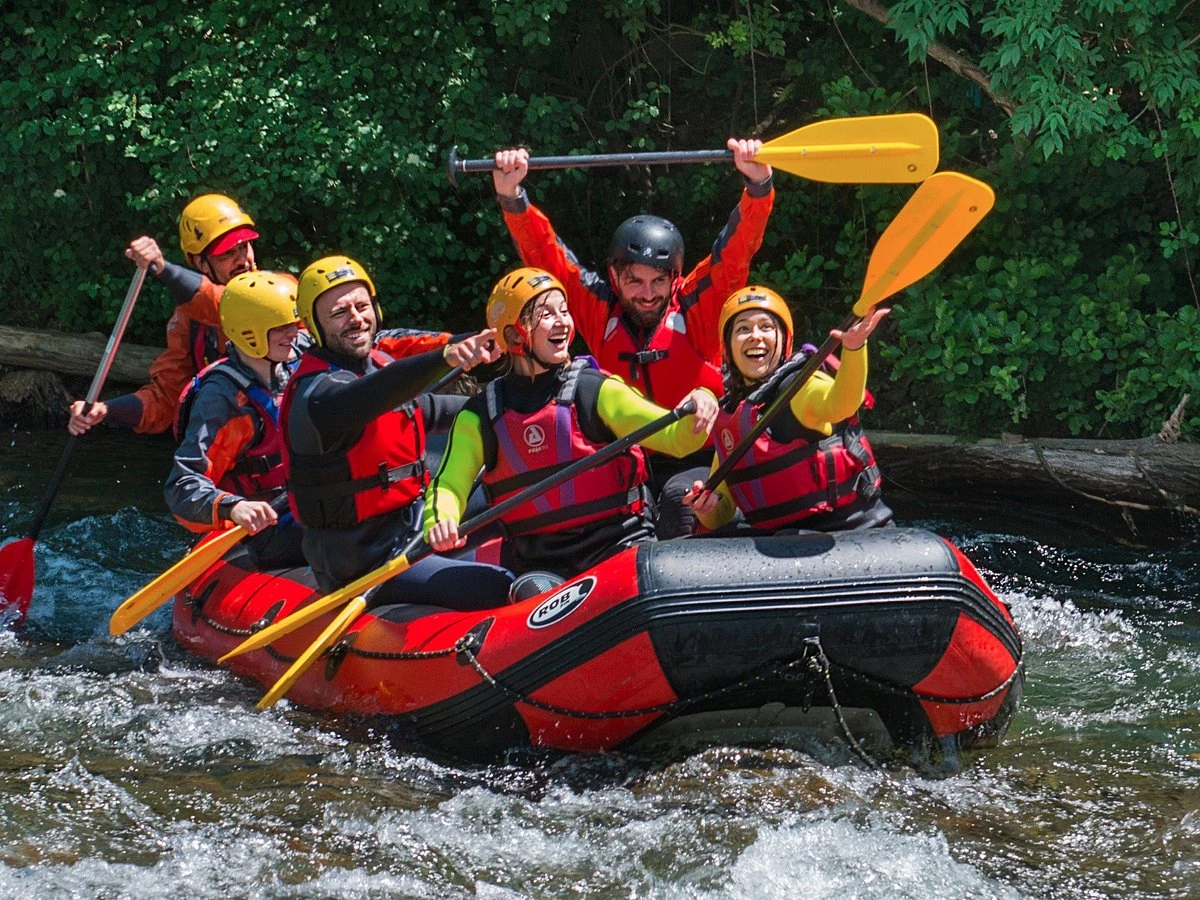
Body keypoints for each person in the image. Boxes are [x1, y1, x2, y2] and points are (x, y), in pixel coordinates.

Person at [490, 139, 774, 538]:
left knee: (678, 501)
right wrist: (512, 197)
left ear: (674, 278)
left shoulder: (696, 307)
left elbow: (736, 252)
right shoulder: (598, 308)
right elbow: (546, 255)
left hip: (699, 458)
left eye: (658, 281)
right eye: (634, 281)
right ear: (614, 276)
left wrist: (758, 188)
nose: (647, 293)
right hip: (629, 461)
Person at [423, 267, 718, 588]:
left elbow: (676, 439)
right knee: (530, 590)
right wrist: (441, 519)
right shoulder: (480, 416)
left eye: (564, 310)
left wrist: (702, 401)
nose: (562, 321)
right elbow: (449, 484)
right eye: (546, 314)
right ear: (514, 335)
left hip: (617, 547)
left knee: (639, 580)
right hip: (540, 566)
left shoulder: (595, 390)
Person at [281, 255, 512, 609]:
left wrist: (502, 405)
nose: (356, 319)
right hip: (365, 561)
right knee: (497, 586)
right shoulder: (316, 396)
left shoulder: (378, 364)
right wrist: (445, 357)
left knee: (512, 488)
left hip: (412, 524)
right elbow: (376, 393)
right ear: (315, 325)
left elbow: (429, 408)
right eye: (339, 312)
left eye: (362, 306)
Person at [683, 286, 893, 534]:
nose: (755, 336)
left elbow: (841, 404)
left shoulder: (800, 386)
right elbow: (722, 514)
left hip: (852, 532)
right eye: (743, 329)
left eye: (766, 327)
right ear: (727, 347)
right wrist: (706, 508)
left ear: (784, 340)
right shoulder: (730, 417)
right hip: (786, 542)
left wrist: (854, 348)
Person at [68, 193, 259, 436]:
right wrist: (105, 410)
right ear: (201, 264)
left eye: (244, 247)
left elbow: (229, 306)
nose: (242, 260)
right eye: (227, 254)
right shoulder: (189, 320)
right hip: (226, 447)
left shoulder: (280, 292)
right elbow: (165, 398)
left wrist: (163, 268)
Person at [164, 271, 307, 570]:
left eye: (294, 323)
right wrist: (233, 507)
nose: (293, 333)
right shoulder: (222, 398)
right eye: (281, 327)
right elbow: (182, 486)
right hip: (261, 527)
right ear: (249, 331)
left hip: (306, 502)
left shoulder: (298, 355)